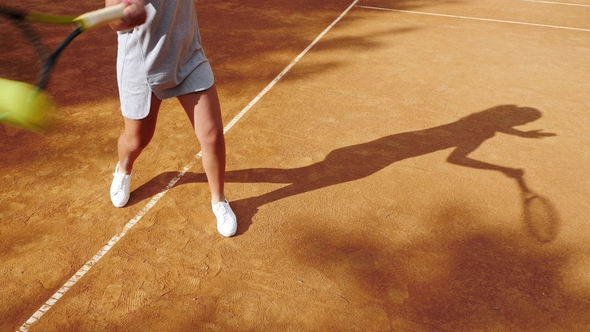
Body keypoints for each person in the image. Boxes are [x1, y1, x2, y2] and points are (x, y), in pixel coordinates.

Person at [105, 0, 237, 237]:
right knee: (138, 140)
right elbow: (114, 20)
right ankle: (123, 169)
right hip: (141, 63)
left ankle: (219, 201)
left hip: (187, 55)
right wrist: (125, 15)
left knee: (212, 135)